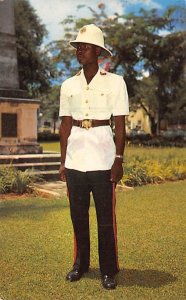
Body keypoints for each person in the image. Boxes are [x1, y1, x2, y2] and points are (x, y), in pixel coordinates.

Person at [59, 24, 129, 290]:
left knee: (105, 218)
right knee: (78, 216)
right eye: (77, 46)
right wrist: (63, 162)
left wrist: (118, 159)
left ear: (98, 51)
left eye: (85, 46)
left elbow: (120, 125)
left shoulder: (115, 82)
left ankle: (108, 270)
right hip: (76, 158)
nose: (79, 50)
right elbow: (65, 125)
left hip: (102, 157)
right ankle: (81, 264)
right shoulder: (68, 85)